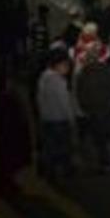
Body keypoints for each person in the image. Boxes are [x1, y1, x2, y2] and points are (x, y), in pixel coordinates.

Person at [76, 43, 110, 173]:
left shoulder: (83, 74)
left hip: (94, 110)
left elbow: (81, 93)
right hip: (108, 107)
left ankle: (105, 164)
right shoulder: (106, 69)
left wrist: (85, 108)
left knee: (100, 139)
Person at [0, 76, 32, 199]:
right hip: (11, 139)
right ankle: (9, 187)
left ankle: (4, 187)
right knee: (11, 165)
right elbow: (19, 121)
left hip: (3, 140)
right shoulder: (8, 101)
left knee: (4, 165)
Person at [37, 50, 76, 180]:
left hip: (46, 118)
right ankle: (67, 171)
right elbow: (64, 102)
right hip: (60, 119)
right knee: (64, 147)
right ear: (59, 65)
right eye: (66, 66)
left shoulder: (43, 77)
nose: (67, 69)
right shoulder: (59, 81)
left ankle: (50, 171)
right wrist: (71, 118)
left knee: (50, 147)